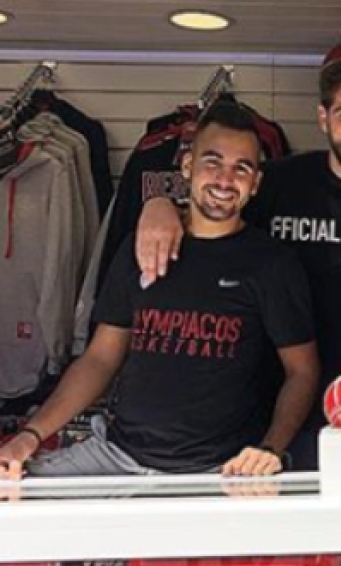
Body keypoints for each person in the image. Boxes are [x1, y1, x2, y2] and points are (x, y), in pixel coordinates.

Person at [134, 55, 341, 469]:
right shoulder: (278, 182)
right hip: (281, 414)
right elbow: (216, 211)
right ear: (323, 117)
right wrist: (162, 205)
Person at [0, 101, 319, 479]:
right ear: (187, 166)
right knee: (14, 497)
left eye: (241, 168)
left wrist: (269, 449)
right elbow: (100, 359)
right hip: (116, 455)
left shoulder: (271, 264)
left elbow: (302, 371)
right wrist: (31, 435)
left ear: (255, 184)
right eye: (212, 162)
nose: (224, 180)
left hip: (219, 468)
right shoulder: (141, 245)